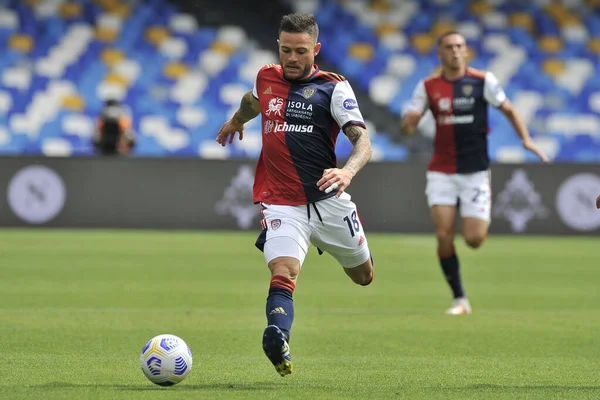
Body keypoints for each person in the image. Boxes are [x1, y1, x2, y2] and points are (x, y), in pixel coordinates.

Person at [216, 13, 375, 376]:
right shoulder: (266, 76)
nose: (291, 58)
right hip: (281, 202)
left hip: (328, 200)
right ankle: (278, 336)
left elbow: (363, 141)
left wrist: (347, 171)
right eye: (285, 49)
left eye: (300, 51)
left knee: (364, 276)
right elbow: (252, 101)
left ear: (315, 50)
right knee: (283, 271)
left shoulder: (334, 88)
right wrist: (239, 119)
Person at [400, 31, 549, 315]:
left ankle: (477, 224)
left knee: (474, 240)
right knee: (443, 235)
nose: (455, 51)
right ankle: (460, 299)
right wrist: (409, 123)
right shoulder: (428, 86)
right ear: (440, 54)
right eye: (449, 47)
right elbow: (407, 127)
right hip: (441, 171)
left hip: (475, 171)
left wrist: (526, 140)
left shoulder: (483, 81)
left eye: (459, 46)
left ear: (466, 51)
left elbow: (509, 110)